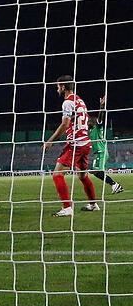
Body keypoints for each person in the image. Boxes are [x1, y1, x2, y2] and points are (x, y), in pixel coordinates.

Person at [43, 75, 98, 217]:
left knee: (57, 174)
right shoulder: (80, 100)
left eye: (58, 87)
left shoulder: (67, 102)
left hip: (76, 144)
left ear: (63, 87)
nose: (57, 89)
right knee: (83, 176)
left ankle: (67, 208)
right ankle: (93, 204)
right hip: (85, 142)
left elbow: (65, 124)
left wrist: (50, 140)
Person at [88, 96, 124, 194]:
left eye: (89, 120)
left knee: (97, 171)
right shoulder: (90, 130)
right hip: (97, 153)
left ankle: (115, 185)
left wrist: (101, 106)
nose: (88, 121)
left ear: (94, 121)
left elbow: (100, 117)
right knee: (95, 172)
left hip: (101, 152)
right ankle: (115, 185)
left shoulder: (97, 126)